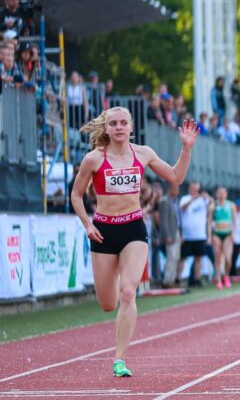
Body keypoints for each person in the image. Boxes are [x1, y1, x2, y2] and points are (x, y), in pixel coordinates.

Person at [70, 107, 199, 377]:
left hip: (133, 229)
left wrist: (186, 148)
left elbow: (175, 177)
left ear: (131, 127)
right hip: (104, 232)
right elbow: (76, 195)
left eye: (123, 123)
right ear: (106, 128)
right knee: (107, 303)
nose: (118, 127)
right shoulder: (93, 159)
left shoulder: (143, 153)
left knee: (128, 292)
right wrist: (87, 224)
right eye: (113, 123)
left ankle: (119, 359)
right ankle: (115, 275)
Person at [209, 186, 238, 289]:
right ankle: (218, 280)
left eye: (223, 192)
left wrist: (234, 234)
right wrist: (209, 237)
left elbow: (235, 220)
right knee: (217, 257)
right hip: (216, 233)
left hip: (227, 233)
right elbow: (208, 222)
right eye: (219, 193)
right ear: (216, 194)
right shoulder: (213, 205)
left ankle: (226, 276)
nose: (221, 194)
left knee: (228, 259)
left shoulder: (231, 205)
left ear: (226, 194)